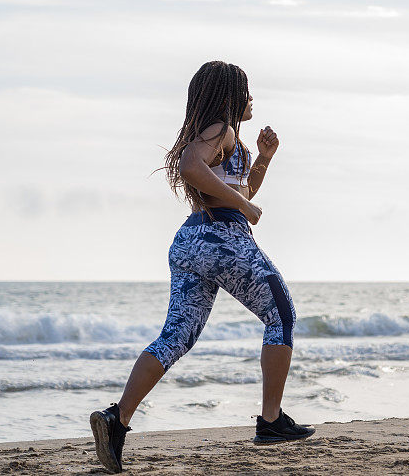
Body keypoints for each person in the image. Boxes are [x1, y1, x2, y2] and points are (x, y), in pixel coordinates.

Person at [89, 60, 314, 473]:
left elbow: (236, 187)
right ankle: (270, 421)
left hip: (190, 243)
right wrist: (245, 206)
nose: (251, 100)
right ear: (230, 96)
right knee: (281, 315)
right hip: (220, 238)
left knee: (175, 338)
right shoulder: (220, 130)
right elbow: (193, 169)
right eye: (246, 92)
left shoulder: (226, 139)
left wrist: (263, 158)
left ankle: (116, 420)